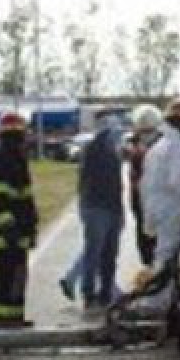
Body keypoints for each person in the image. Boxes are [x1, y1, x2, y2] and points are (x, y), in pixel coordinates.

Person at [63, 110, 127, 308]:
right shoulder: (96, 149)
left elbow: (116, 183)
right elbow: (96, 181)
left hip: (107, 207)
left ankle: (105, 291)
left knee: (108, 253)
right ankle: (90, 293)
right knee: (95, 252)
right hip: (98, 207)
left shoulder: (110, 150)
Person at [0, 111, 40, 328]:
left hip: (18, 231)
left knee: (17, 275)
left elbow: (26, 199)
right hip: (6, 234)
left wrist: (31, 226)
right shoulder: (0, 162)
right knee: (6, 275)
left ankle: (14, 316)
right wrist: (11, 230)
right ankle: (0, 318)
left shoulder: (17, 160)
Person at [141, 98, 180, 269]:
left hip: (160, 210)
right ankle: (159, 295)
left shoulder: (159, 146)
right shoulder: (177, 147)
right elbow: (178, 182)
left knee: (163, 257)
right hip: (172, 212)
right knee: (167, 259)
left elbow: (146, 185)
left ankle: (158, 292)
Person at [123, 104, 162, 267]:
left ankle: (155, 262)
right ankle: (148, 263)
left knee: (155, 232)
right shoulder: (134, 144)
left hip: (156, 196)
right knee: (143, 230)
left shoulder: (161, 142)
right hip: (140, 196)